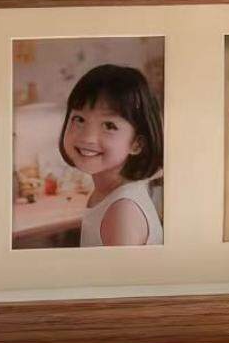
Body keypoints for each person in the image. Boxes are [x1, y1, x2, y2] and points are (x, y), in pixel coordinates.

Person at [58, 64, 164, 247]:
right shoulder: (105, 192)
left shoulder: (123, 212)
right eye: (79, 119)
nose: (87, 137)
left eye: (109, 125)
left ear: (137, 144)